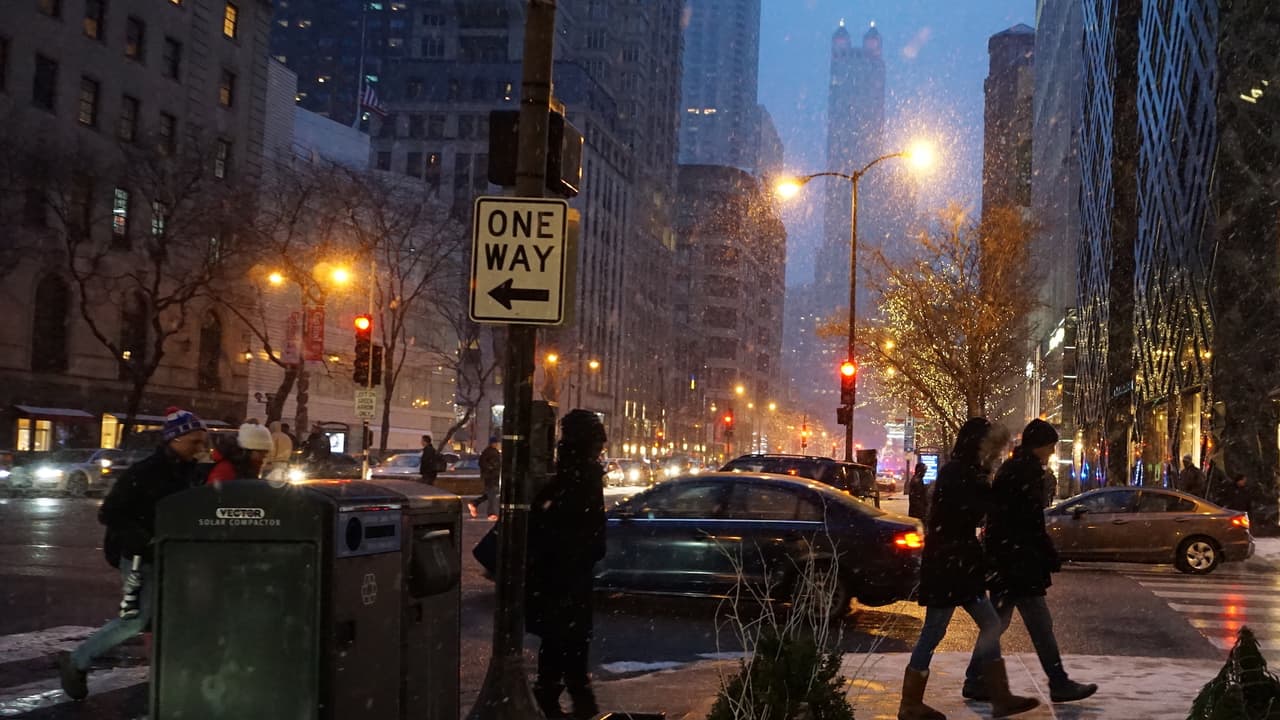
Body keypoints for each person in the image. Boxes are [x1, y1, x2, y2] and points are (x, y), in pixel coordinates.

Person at [59, 407, 208, 701]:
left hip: (167, 556)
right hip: (141, 557)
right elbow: (110, 512)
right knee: (136, 619)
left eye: (202, 442)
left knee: (162, 617)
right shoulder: (145, 472)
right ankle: (77, 661)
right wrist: (141, 539)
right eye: (194, 442)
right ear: (174, 440)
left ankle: (171, 676)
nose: (199, 448)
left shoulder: (187, 472)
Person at [899, 417, 1038, 720]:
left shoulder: (964, 472)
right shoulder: (959, 473)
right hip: (951, 566)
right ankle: (911, 704)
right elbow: (974, 511)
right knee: (936, 631)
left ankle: (997, 695)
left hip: (955, 565)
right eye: (989, 446)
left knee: (983, 625)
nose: (991, 452)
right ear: (977, 443)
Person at [968, 419, 1097, 705]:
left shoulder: (1014, 469)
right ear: (1039, 445)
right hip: (1019, 563)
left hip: (1008, 560)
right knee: (1039, 625)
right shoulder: (1026, 472)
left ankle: (975, 679)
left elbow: (1008, 519)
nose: (1051, 451)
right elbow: (1029, 522)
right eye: (1050, 446)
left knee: (998, 624)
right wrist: (1046, 552)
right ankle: (1058, 682)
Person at [527, 410, 608, 719]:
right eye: (598, 439)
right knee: (571, 637)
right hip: (568, 573)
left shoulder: (565, 472)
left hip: (558, 571)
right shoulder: (581, 476)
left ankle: (556, 695)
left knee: (559, 637)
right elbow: (584, 527)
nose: (600, 446)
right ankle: (574, 698)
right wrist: (587, 552)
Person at [207, 422, 275, 485]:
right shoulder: (226, 469)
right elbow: (213, 494)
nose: (264, 456)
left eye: (266, 452)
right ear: (247, 451)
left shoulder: (249, 467)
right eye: (261, 452)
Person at [470, 436, 502, 520]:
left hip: (493, 476)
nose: (496, 444)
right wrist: (490, 468)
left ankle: (474, 503)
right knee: (492, 495)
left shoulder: (492, 451)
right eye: (495, 443)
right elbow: (482, 463)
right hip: (490, 476)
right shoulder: (488, 452)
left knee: (490, 494)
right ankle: (491, 514)